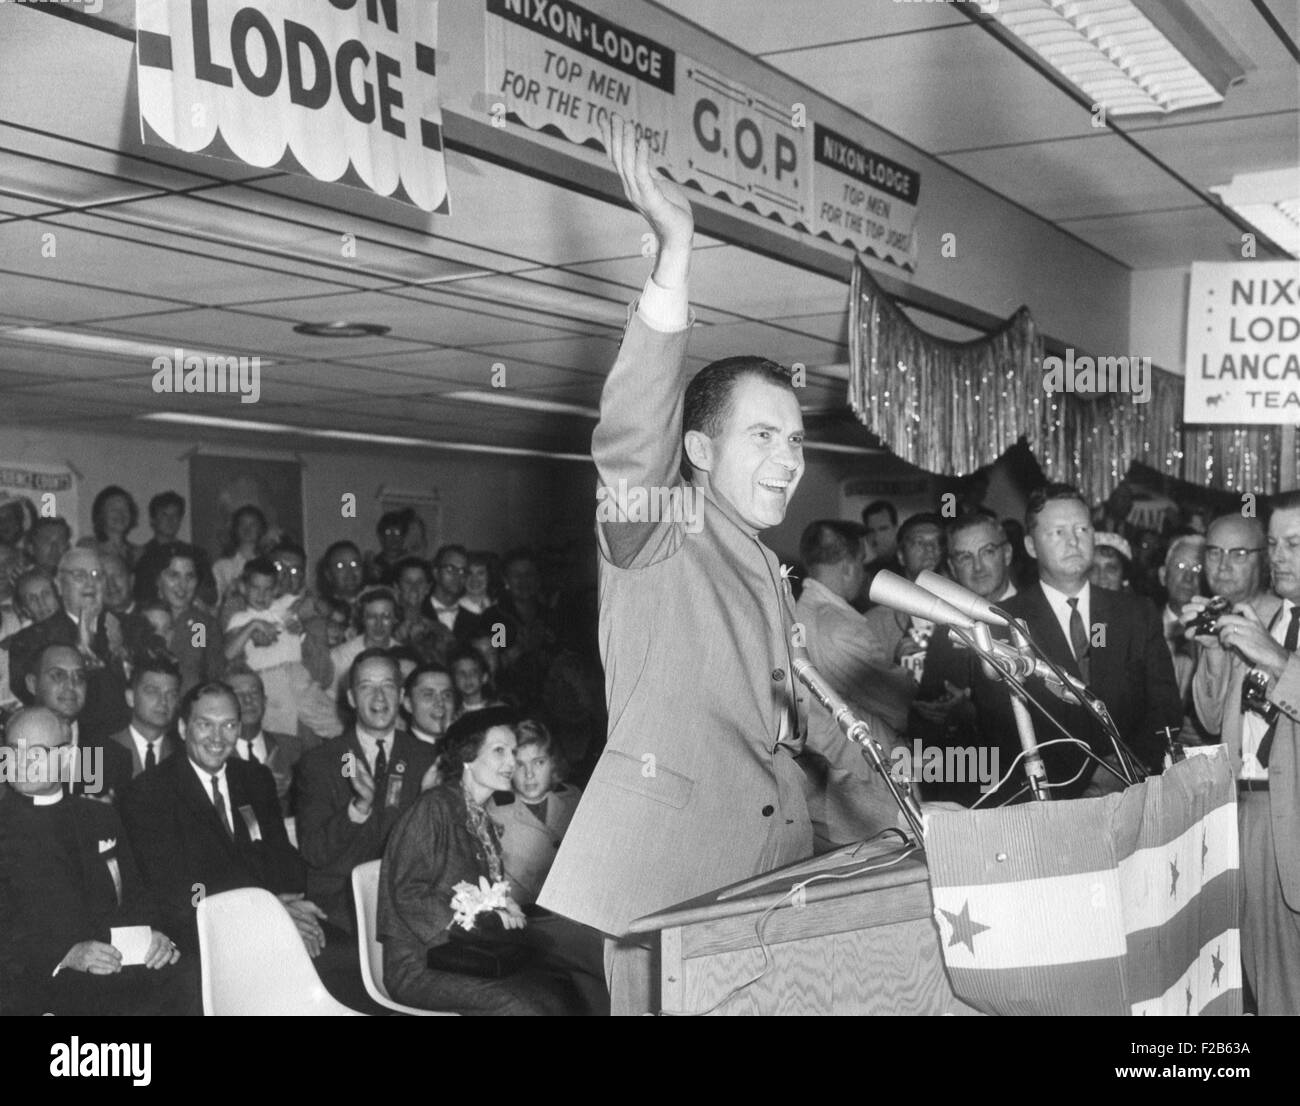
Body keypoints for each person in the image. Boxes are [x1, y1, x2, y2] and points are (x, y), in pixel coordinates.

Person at [540, 116, 855, 1014]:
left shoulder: (763, 566)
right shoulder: (663, 528)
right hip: (656, 896)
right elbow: (630, 441)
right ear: (702, 452)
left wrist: (914, 807)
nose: (790, 459)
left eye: (796, 441)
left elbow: (800, 731)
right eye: (764, 436)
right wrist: (674, 259)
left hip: (756, 888)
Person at [378, 707, 606, 1015]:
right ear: (468, 757)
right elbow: (408, 893)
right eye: (499, 751)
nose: (511, 762)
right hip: (420, 964)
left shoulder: (480, 817)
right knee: (524, 1007)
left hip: (466, 954)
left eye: (513, 751)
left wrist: (501, 909)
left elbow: (481, 895)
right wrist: (475, 925)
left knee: (559, 993)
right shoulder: (435, 807)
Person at [971, 484, 1182, 800]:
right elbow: (999, 726)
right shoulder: (1002, 623)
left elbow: (1164, 709)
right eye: (1058, 532)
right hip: (1050, 800)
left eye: (1082, 529)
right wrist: (1086, 775)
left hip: (1135, 791)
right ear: (1030, 545)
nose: (1073, 541)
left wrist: (1127, 768)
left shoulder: (1135, 613)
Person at [0, 706, 197, 1015]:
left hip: (114, 965)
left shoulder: (99, 817)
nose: (21, 762)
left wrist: (153, 935)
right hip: (39, 979)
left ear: (66, 757)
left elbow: (136, 895)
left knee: (190, 977)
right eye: (14, 750)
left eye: (36, 753)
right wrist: (65, 955)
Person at [1187, 491, 1300, 1015]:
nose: (1279, 557)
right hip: (1253, 810)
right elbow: (1214, 721)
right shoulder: (1266, 621)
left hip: (1290, 809)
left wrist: (1276, 660)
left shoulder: (1269, 637)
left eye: (1294, 544)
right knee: (1269, 977)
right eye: (1274, 544)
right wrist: (1215, 654)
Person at [119, 681, 325, 958]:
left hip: (272, 921)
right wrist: (267, 910)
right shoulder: (148, 793)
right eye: (205, 724)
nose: (217, 738)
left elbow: (280, 855)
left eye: (228, 725)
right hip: (202, 937)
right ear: (183, 728)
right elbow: (176, 889)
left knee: (340, 957)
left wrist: (293, 906)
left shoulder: (255, 778)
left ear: (239, 729)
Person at [295, 650, 437, 937]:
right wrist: (357, 809)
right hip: (341, 907)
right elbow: (315, 852)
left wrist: (430, 806)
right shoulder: (322, 761)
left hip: (408, 902)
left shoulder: (427, 759)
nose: (379, 697)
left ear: (401, 696)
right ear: (351, 698)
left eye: (387, 686)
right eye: (366, 687)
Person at [793, 520, 913, 847]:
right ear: (848, 567)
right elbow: (900, 705)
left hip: (829, 782)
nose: (862, 574)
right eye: (861, 564)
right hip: (861, 781)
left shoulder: (798, 614)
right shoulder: (839, 626)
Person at [912, 513, 1017, 804]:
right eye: (965, 557)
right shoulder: (946, 627)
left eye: (987, 552)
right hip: (968, 789)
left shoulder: (1039, 617)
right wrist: (934, 712)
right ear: (951, 567)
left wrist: (974, 709)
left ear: (1007, 554)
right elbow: (929, 712)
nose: (978, 567)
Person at [7, 549, 131, 744]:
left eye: (96, 575)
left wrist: (119, 654)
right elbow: (33, 697)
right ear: (58, 584)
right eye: (79, 575)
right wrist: (84, 652)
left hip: (124, 743)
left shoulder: (130, 627)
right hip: (59, 745)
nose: (90, 583)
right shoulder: (32, 639)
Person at [224, 556, 340, 740]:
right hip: (269, 679)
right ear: (243, 588)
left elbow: (323, 608)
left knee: (334, 721)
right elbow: (229, 653)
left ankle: (355, 750)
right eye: (255, 588)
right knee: (282, 736)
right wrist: (253, 626)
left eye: (268, 589)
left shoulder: (285, 603)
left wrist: (301, 616)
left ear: (276, 589)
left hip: (298, 674)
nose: (262, 595)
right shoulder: (240, 619)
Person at [489, 719, 583, 906]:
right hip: (523, 915)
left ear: (553, 763)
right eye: (520, 765)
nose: (529, 774)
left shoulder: (574, 800)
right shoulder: (493, 813)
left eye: (538, 762)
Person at [863, 512, 947, 674]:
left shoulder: (966, 614)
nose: (930, 549)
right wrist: (895, 670)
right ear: (901, 556)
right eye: (919, 542)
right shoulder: (876, 624)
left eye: (937, 542)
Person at [227, 666, 313, 816]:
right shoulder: (215, 756)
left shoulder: (293, 749)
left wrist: (293, 788)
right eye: (238, 694)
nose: (248, 700)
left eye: (254, 693)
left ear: (265, 701)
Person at [105, 651, 182, 793]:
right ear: (130, 697)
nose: (163, 701)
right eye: (152, 691)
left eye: (171, 694)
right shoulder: (100, 753)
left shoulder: (182, 757)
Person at [151, 542, 224, 694]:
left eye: (190, 576)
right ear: (158, 580)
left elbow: (207, 671)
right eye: (174, 575)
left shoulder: (200, 626)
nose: (182, 585)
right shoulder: (143, 618)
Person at [212, 504, 267, 605]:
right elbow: (217, 601)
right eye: (242, 524)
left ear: (261, 529)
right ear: (235, 529)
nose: (247, 529)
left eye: (253, 524)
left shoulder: (268, 563)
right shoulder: (221, 566)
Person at [79, 486, 142, 570]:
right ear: (101, 514)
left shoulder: (138, 553)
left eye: (125, 508)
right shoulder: (88, 547)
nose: (120, 514)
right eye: (113, 509)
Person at [402, 662, 454, 748]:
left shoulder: (465, 747)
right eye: (429, 695)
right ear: (408, 704)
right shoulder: (398, 751)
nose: (440, 703)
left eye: (447, 695)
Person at [364, 508, 414, 585]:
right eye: (388, 533)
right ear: (381, 537)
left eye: (397, 532)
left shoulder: (412, 564)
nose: (393, 537)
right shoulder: (373, 565)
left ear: (403, 536)